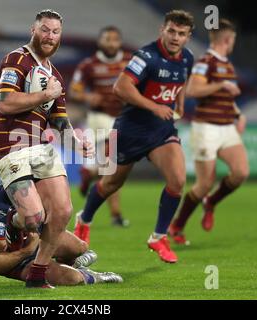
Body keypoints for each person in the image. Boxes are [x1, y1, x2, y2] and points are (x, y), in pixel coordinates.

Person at [74, 10, 195, 263]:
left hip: (161, 132)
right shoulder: (146, 56)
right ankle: (84, 219)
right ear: (163, 29)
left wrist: (180, 104)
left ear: (188, 36)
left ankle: (159, 236)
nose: (175, 37)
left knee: (178, 180)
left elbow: (183, 80)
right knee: (110, 184)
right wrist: (155, 106)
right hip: (131, 130)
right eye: (171, 31)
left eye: (181, 34)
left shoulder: (187, 58)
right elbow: (121, 87)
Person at [0, 9, 94, 288]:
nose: (50, 36)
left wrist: (76, 142)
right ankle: (14, 222)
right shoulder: (16, 59)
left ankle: (37, 273)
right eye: (45, 30)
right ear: (33, 30)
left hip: (40, 148)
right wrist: (45, 95)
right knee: (33, 217)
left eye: (55, 32)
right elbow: (6, 104)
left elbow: (59, 121)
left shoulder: (55, 75)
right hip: (11, 148)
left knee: (62, 211)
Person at [169, 19, 249, 244]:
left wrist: (237, 113)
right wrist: (221, 85)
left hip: (227, 127)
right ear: (227, 39)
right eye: (232, 39)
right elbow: (194, 89)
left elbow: (226, 97)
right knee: (204, 183)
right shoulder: (206, 62)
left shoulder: (227, 64)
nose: (233, 42)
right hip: (207, 128)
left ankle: (211, 202)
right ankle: (177, 226)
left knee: (241, 172)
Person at [0, 185, 123, 286]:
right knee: (72, 279)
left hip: (36, 240)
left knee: (80, 247)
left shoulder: (39, 187)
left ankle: (72, 264)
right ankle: (93, 277)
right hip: (16, 259)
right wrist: (26, 252)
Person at [69, 26, 132, 229]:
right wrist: (88, 96)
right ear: (100, 42)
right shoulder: (89, 65)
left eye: (115, 39)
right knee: (110, 166)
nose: (111, 43)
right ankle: (116, 215)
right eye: (107, 39)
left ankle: (90, 172)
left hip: (125, 118)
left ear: (119, 42)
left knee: (111, 168)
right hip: (101, 118)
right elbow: (74, 90)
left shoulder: (130, 62)